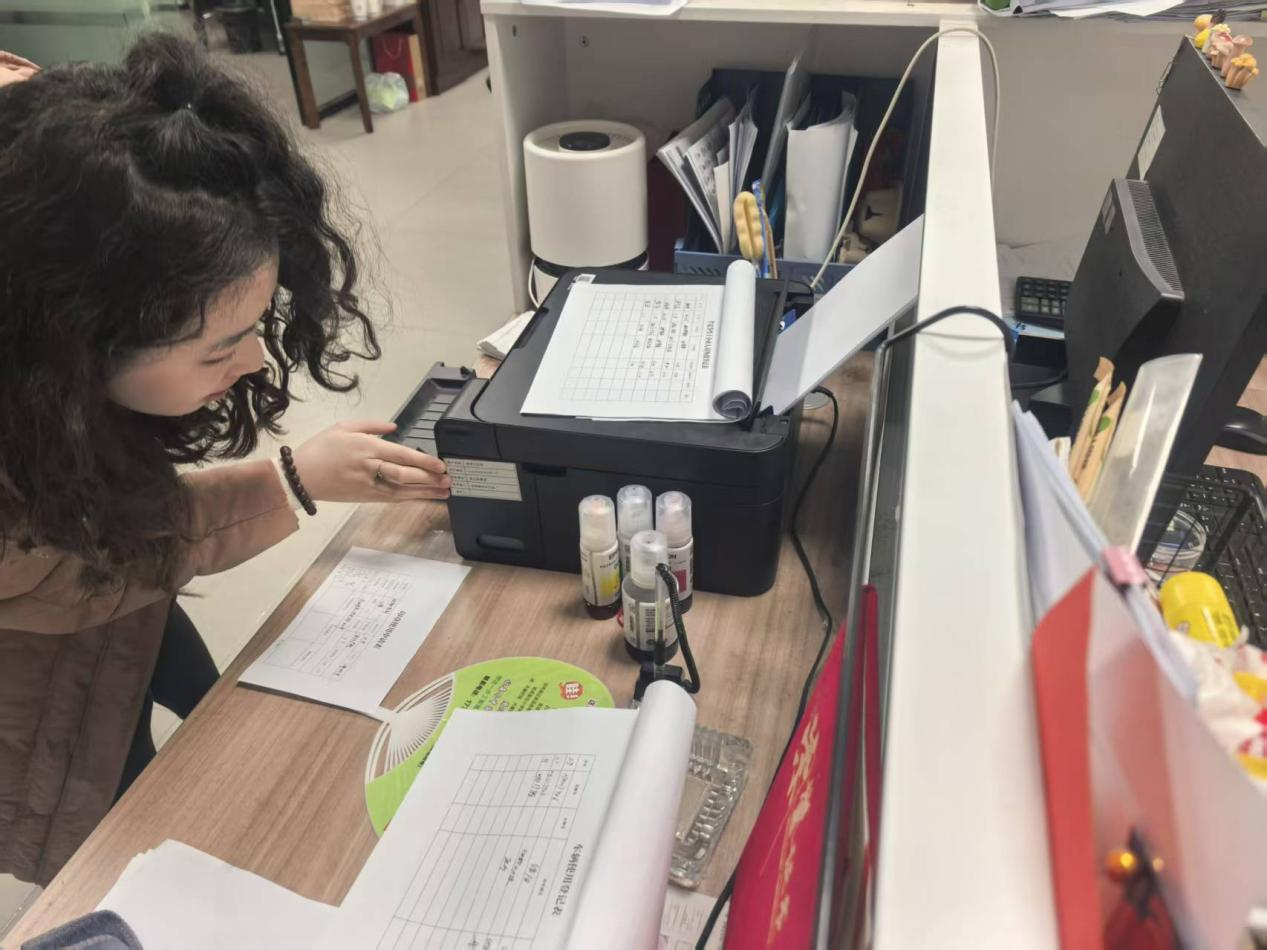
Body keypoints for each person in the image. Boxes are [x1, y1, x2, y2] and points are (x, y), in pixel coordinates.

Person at [0, 33, 450, 884]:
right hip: (42, 686)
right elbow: (118, 556)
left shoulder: (59, 188)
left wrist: (298, 478)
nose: (252, 363)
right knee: (117, 852)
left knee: (209, 726)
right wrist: (292, 482)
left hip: (121, 602)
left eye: (255, 326)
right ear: (75, 346)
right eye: (219, 348)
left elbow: (131, 535)